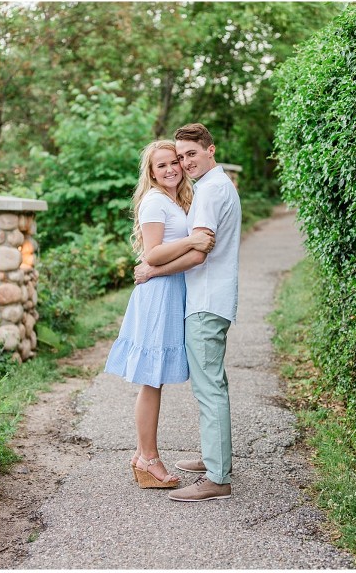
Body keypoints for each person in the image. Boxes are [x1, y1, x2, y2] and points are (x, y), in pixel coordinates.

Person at [134, 123, 241, 502]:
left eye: (189, 154)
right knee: (210, 385)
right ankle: (215, 460)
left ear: (211, 150)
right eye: (179, 157)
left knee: (209, 388)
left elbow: (199, 252)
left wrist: (152, 270)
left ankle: (217, 478)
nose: (182, 163)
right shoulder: (212, 187)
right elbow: (183, 245)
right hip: (206, 299)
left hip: (206, 300)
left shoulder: (208, 192)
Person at [104, 140, 215, 489]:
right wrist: (192, 242)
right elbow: (152, 255)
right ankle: (150, 459)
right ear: (151, 173)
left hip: (169, 289)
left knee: (156, 380)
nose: (169, 169)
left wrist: (191, 243)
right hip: (158, 296)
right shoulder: (154, 201)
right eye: (161, 166)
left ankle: (141, 456)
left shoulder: (177, 199)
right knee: (151, 381)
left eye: (174, 163)